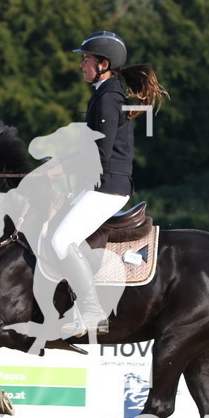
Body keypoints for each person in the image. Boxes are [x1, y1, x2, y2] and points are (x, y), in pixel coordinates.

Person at [51, 30, 168, 336]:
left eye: (86, 59)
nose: (82, 65)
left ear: (103, 63)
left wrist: (61, 168)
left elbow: (100, 153)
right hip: (99, 185)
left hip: (107, 188)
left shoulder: (109, 97)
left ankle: (91, 311)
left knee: (61, 241)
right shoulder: (105, 93)